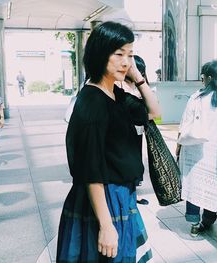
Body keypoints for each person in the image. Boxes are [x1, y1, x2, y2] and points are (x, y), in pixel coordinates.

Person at [56, 21, 161, 262]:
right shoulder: (92, 103)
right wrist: (105, 225)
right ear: (100, 54)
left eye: (130, 55)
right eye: (119, 54)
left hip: (121, 195)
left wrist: (139, 78)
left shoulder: (115, 93)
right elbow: (90, 169)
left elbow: (154, 112)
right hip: (105, 198)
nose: (125, 62)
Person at [176, 60, 217, 237]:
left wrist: (178, 147)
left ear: (208, 77)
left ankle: (194, 222)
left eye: (203, 77)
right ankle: (208, 220)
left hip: (196, 150)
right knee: (213, 188)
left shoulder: (198, 97)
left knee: (194, 184)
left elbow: (184, 124)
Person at [118, 55, 150, 206]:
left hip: (138, 132)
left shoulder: (140, 86)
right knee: (128, 162)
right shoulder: (120, 86)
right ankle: (129, 195)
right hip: (124, 133)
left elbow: (154, 111)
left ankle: (133, 193)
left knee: (136, 161)